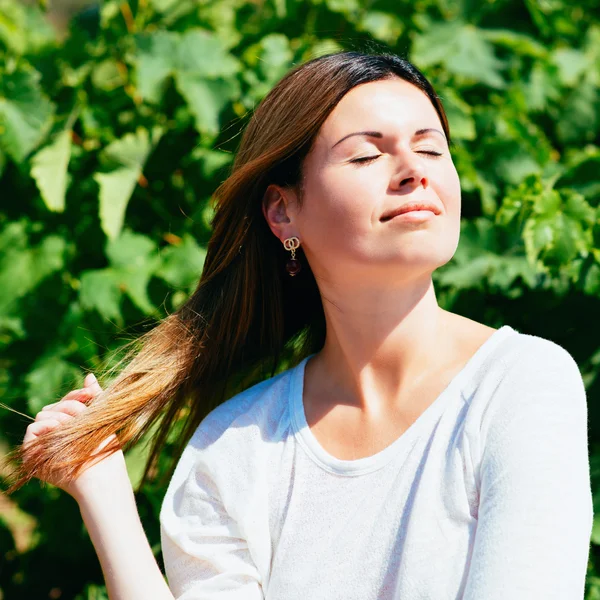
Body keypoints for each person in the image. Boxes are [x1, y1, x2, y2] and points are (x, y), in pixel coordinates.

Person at [6, 51, 593, 599]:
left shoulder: (521, 385)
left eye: (432, 148)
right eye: (367, 155)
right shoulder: (235, 446)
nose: (413, 170)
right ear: (283, 210)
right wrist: (103, 492)